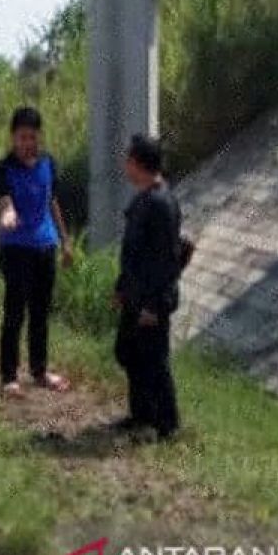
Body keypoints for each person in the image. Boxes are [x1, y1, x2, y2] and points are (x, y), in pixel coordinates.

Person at [0, 106, 75, 399]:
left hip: (45, 246)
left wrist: (65, 241)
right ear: (13, 137)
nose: (28, 143)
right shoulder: (2, 170)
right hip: (16, 249)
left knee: (41, 312)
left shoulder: (48, 164)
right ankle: (9, 375)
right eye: (23, 137)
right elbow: (4, 200)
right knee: (15, 312)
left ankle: (39, 371)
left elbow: (52, 203)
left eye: (33, 137)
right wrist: (8, 215)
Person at [112, 133, 183, 440]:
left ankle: (166, 424)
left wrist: (154, 305)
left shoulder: (161, 204)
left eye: (128, 158)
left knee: (155, 361)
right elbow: (133, 253)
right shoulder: (143, 199)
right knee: (128, 351)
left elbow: (167, 260)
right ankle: (141, 414)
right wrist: (121, 287)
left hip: (152, 299)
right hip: (135, 294)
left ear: (139, 164)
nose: (125, 164)